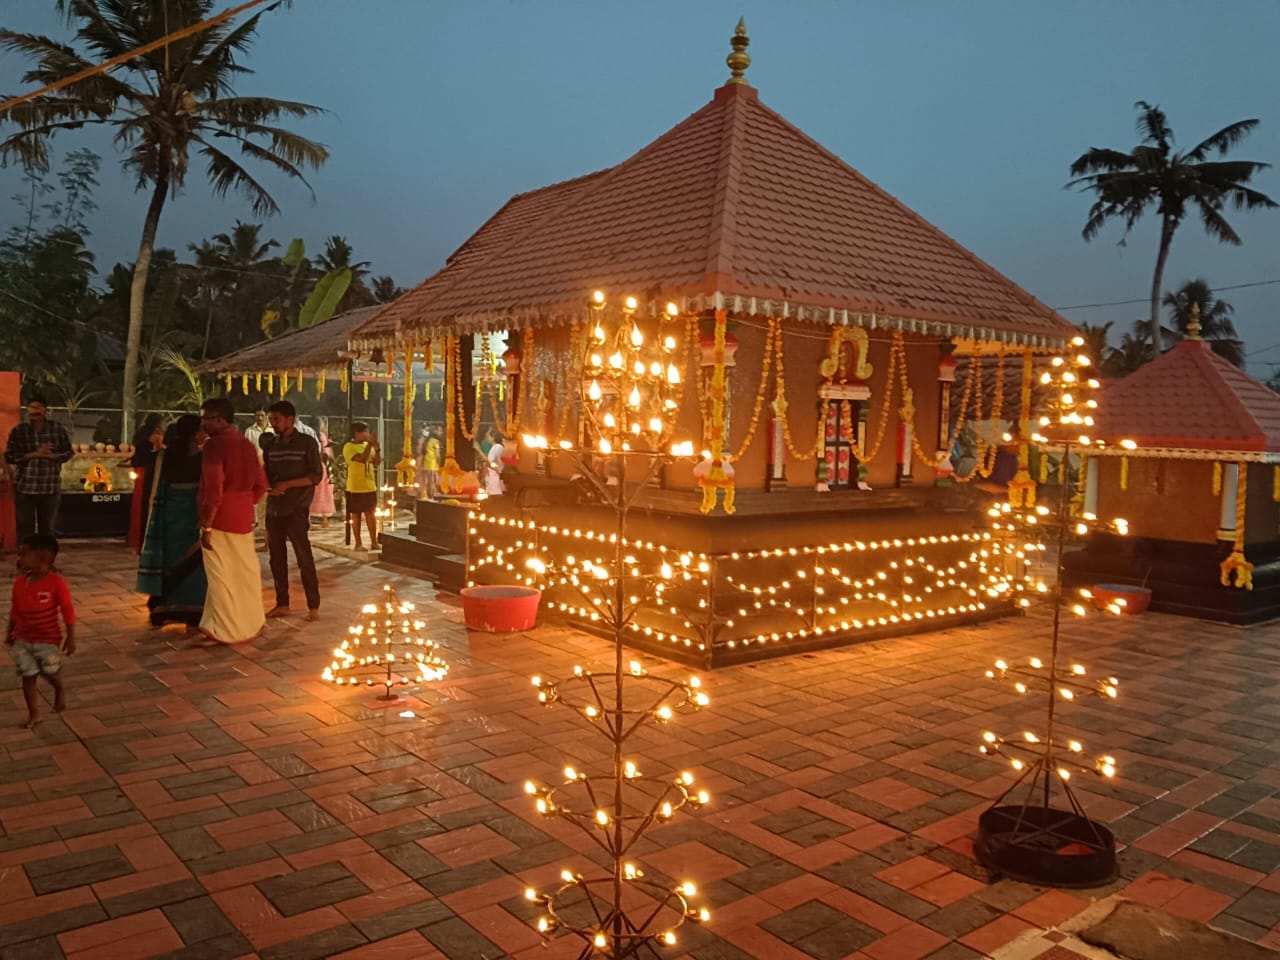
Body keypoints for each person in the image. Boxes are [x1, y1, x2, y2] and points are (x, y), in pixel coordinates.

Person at [198, 398, 267, 645]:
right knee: (244, 573)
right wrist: (245, 504)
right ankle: (242, 623)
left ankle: (227, 630)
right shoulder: (247, 445)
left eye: (206, 417)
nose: (203, 422)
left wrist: (207, 525)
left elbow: (214, 489)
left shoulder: (213, 447)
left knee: (220, 577)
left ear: (219, 419)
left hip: (219, 519)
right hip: (243, 516)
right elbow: (261, 485)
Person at [136, 416, 206, 627]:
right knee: (194, 563)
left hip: (168, 518)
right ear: (195, 434)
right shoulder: (203, 458)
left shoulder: (163, 457)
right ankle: (193, 610)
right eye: (202, 430)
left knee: (171, 561)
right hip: (192, 518)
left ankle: (162, 607)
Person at [5, 533, 76, 728]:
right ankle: (34, 713)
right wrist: (10, 632)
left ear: (43, 557)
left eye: (24, 555)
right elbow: (14, 609)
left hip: (47, 639)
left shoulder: (56, 583)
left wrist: (71, 637)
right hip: (23, 638)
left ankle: (58, 689)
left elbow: (67, 609)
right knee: (28, 676)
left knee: (49, 672)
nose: (19, 560)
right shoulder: (20, 583)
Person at [261, 401, 322, 621]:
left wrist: (287, 485)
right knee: (276, 558)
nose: (273, 424)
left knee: (303, 557)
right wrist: (268, 487)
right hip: (274, 509)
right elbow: (266, 473)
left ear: (290, 419)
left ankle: (313, 605)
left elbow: (315, 476)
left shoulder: (307, 443)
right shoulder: (272, 446)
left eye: (276, 419)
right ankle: (282, 603)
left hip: (297, 508)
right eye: (271, 419)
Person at [4, 397, 73, 540]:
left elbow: (68, 452)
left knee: (47, 529)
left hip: (50, 487)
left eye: (38, 407)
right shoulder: (19, 431)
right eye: (31, 408)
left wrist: (52, 456)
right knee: (25, 528)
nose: (34, 411)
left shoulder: (57, 429)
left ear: (46, 411)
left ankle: (45, 558)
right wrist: (34, 454)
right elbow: (10, 456)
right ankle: (27, 558)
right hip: (25, 488)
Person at [126, 414, 166, 555]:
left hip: (140, 472)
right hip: (149, 473)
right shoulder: (155, 436)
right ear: (157, 425)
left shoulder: (140, 435)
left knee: (139, 505)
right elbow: (160, 451)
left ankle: (137, 539)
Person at [343, 422, 381, 551]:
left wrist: (377, 448)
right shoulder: (349, 447)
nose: (367, 434)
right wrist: (370, 444)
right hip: (355, 487)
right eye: (365, 432)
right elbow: (362, 459)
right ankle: (358, 544)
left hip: (370, 486)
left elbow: (377, 462)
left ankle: (374, 542)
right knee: (356, 515)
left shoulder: (367, 446)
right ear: (357, 434)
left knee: (371, 514)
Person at [244, 408, 272, 546]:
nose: (260, 418)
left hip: (266, 482)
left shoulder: (273, 429)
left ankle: (268, 543)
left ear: (267, 415)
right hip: (257, 473)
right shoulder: (249, 431)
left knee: (265, 512)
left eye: (262, 415)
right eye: (257, 416)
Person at [310, 418, 336, 526]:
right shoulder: (322, 436)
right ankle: (325, 519)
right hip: (323, 465)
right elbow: (326, 453)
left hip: (313, 465)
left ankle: (309, 520)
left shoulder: (309, 434)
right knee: (325, 491)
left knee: (313, 492)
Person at [416, 427, 440, 500]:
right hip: (432, 463)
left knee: (425, 480)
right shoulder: (435, 441)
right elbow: (437, 454)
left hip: (425, 462)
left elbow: (419, 451)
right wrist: (439, 461)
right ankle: (432, 496)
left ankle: (424, 495)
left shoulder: (426, 441)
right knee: (432, 480)